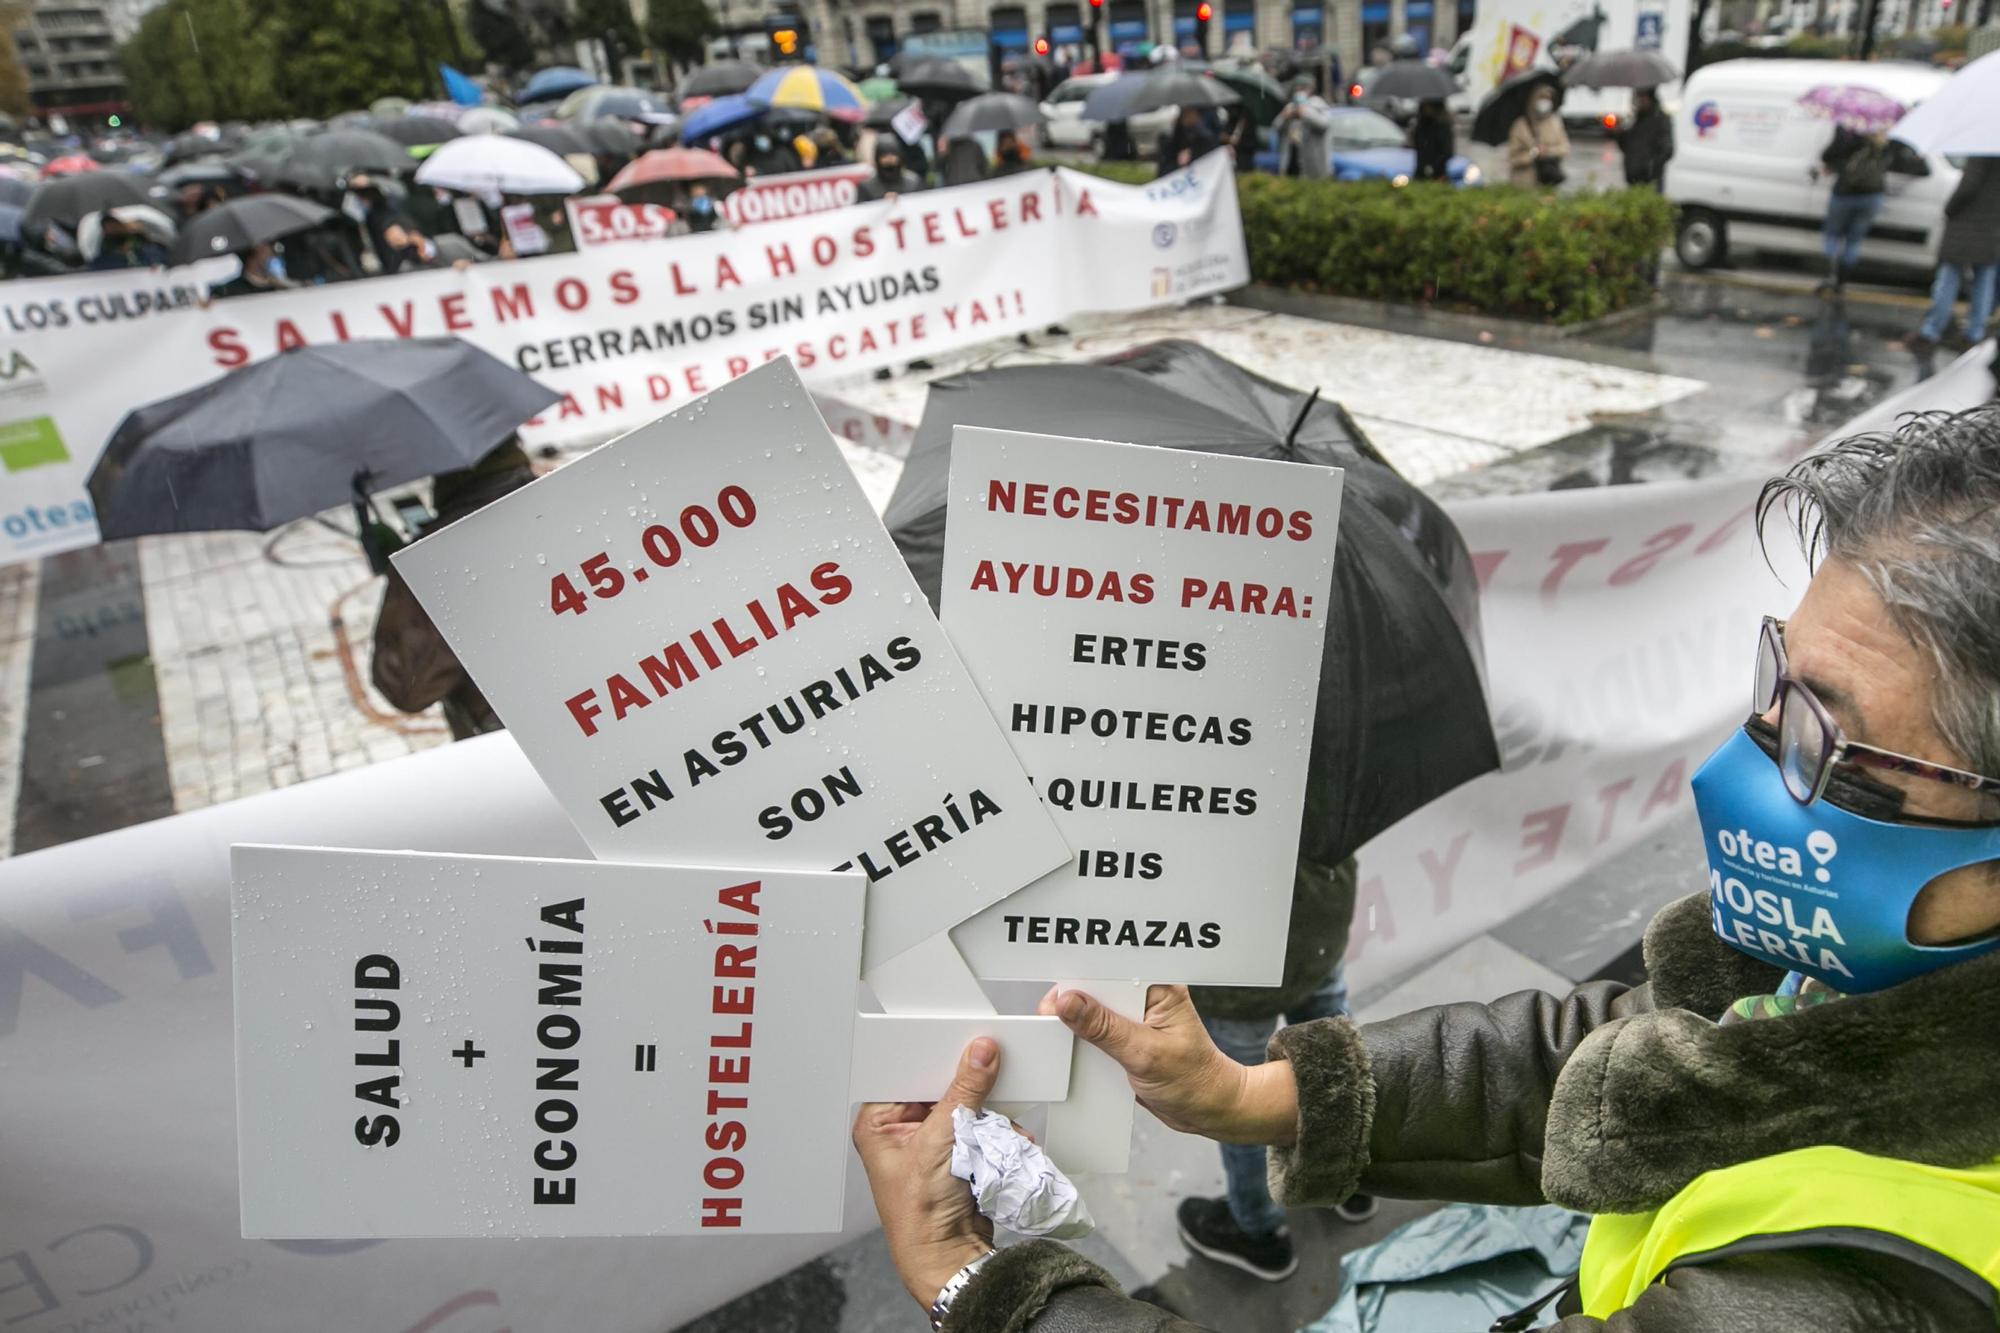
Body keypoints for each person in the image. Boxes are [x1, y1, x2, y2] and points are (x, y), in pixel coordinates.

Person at [857, 406, 2000, 1331]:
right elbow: (1646, 1054)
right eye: (1770, 683)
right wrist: (1265, 1095)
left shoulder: (1854, 1298)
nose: (1743, 762)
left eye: (1825, 736)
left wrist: (987, 1285)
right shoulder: (1859, 989)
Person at [1176, 859, 1369, 1282]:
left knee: (1240, 1099)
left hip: (1234, 956)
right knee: (1340, 1059)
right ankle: (1355, 1178)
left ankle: (1259, 1230)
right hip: (1318, 921)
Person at [371, 437, 538, 740]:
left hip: (510, 749)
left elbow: (408, 689)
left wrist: (411, 593)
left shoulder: (435, 558)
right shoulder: (573, 501)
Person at [1910, 157, 2000, 356]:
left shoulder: (1983, 152)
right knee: (1984, 281)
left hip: (1968, 225)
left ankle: (1932, 331)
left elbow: (1969, 186)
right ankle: (1974, 333)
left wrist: (1949, 209)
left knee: (1949, 278)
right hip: (1994, 228)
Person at [1816, 126, 1891, 293]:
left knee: (1832, 235)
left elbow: (1827, 156)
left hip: (1844, 193)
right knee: (1854, 241)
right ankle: (1842, 281)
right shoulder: (1884, 139)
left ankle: (1829, 275)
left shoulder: (1848, 131)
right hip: (1872, 196)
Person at [1507, 86, 1569, 189]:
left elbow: (1565, 148)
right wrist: (1533, 153)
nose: (1545, 102)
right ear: (1533, 100)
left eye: (1548, 98)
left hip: (1548, 182)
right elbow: (1513, 159)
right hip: (1524, 184)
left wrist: (1548, 151)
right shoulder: (1520, 125)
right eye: (1541, 98)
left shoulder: (1555, 122)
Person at [1613, 86, 1673, 190]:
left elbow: (1667, 149)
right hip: (1633, 178)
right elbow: (1627, 147)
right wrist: (1619, 134)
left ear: (1647, 97)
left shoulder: (1660, 119)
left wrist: (1650, 168)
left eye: (1639, 96)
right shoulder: (1636, 119)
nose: (1636, 101)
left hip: (1650, 181)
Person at [1276, 77, 1333, 179]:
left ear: (1310, 90)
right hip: (1291, 161)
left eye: (1302, 89)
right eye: (1297, 89)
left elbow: (1324, 125)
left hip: (1314, 164)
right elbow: (1276, 127)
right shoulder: (1290, 106)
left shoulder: (1318, 105)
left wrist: (1305, 113)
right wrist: (1285, 117)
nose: (1299, 92)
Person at [1156, 105, 1220, 176]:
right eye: (1184, 113)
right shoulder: (1179, 130)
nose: (1186, 116)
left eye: (1188, 113)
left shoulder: (1203, 135)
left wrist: (1191, 153)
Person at [857, 142, 922, 202]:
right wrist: (881, 201)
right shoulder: (867, 187)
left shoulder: (914, 182)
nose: (889, 159)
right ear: (877, 159)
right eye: (885, 156)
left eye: (893, 155)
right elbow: (861, 211)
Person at [1410, 97, 1454, 182]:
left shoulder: (1442, 126)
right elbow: (1417, 146)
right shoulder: (1421, 125)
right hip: (1420, 172)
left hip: (1438, 173)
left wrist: (1434, 167)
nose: (1426, 108)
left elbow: (1447, 151)